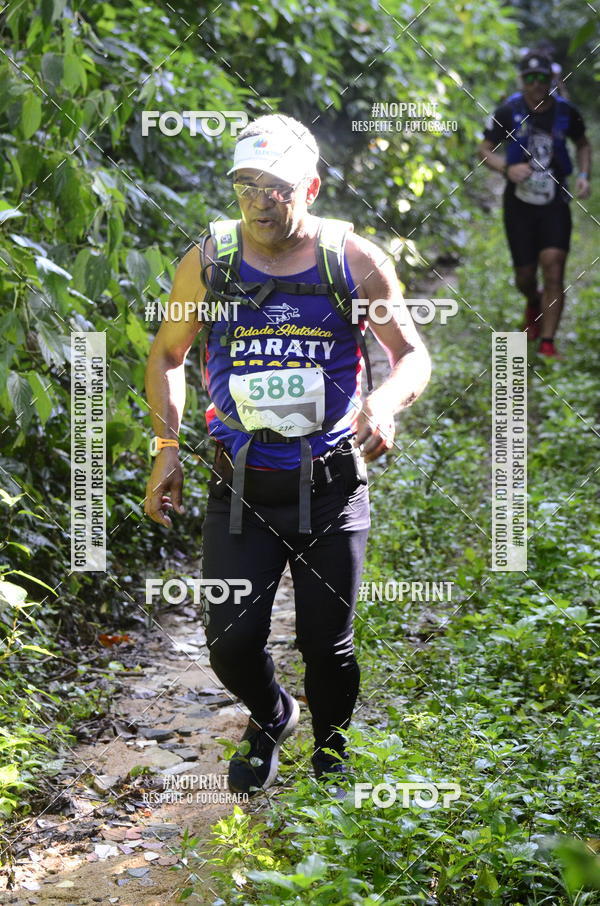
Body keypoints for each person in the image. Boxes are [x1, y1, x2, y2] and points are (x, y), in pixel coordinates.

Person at [144, 113, 431, 795]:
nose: (260, 202)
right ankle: (272, 715)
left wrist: (384, 405)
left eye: (276, 188)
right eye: (246, 186)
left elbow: (411, 355)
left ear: (312, 186)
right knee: (230, 643)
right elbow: (167, 354)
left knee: (327, 645)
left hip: (330, 486)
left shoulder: (354, 259)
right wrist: (166, 446)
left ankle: (332, 755)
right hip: (240, 488)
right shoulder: (211, 260)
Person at [479, 52, 591, 358]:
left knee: (554, 266)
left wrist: (583, 175)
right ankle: (533, 301)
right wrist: (505, 168)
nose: (537, 84)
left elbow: (582, 144)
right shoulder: (508, 110)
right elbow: (485, 148)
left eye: (543, 77)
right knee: (525, 276)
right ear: (521, 80)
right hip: (519, 204)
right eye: (530, 78)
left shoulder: (566, 111)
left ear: (552, 79)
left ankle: (547, 342)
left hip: (555, 202)